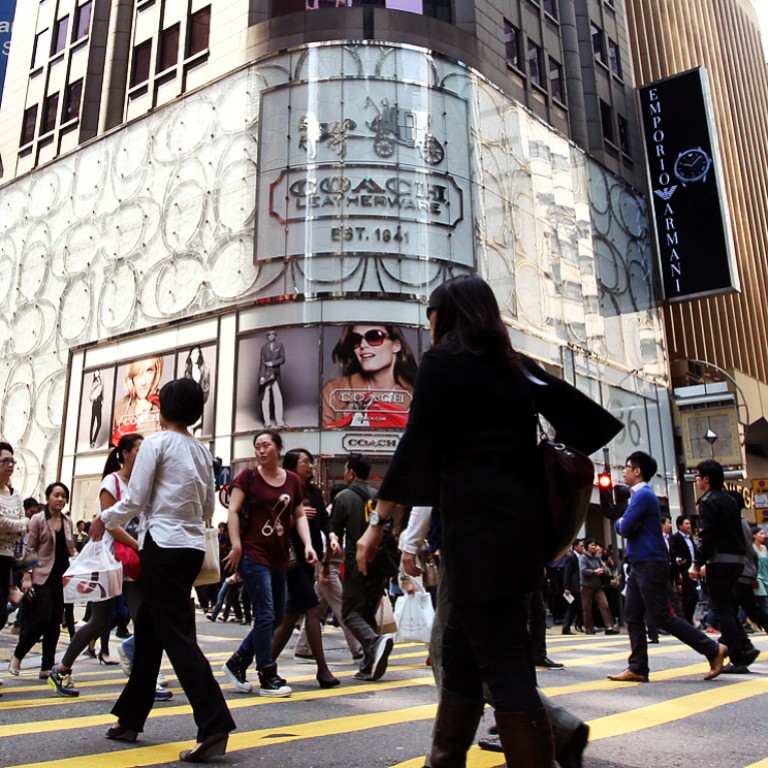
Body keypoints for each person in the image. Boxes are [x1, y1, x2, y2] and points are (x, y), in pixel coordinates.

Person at [355, 275, 623, 768]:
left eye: (431, 312)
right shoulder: (515, 367)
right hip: (524, 535)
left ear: (445, 314)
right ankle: (445, 759)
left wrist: (377, 522)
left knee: (506, 669)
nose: (428, 323)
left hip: (475, 536)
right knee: (459, 660)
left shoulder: (442, 363)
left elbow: (417, 444)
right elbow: (593, 423)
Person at [90, 378, 235, 762]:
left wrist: (103, 517)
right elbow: (208, 508)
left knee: (177, 637)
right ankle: (130, 718)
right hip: (190, 549)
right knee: (152, 631)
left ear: (164, 409)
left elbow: (134, 499)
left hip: (163, 546)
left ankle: (214, 723)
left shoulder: (155, 444)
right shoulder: (203, 452)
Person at [46, 435, 173, 699]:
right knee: (98, 621)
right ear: (124, 453)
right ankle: (61, 670)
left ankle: (145, 678)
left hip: (134, 563)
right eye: (138, 450)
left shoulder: (143, 483)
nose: (143, 455)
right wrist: (138, 546)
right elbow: (110, 523)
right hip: (112, 561)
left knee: (143, 620)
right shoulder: (111, 482)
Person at [607, 452, 728, 684]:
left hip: (649, 562)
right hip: (638, 562)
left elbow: (624, 527)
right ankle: (638, 667)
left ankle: (712, 649)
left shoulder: (643, 495)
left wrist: (620, 521)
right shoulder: (639, 496)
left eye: (627, 467)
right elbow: (628, 526)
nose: (623, 471)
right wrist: (625, 522)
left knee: (661, 615)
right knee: (632, 614)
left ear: (637, 471)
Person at [221, 429, 317, 697]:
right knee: (265, 614)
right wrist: (237, 545)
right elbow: (234, 510)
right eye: (257, 446)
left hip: (279, 556)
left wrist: (308, 545)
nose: (261, 450)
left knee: (274, 618)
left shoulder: (293, 482)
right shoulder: (248, 477)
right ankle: (267, 674)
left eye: (266, 445)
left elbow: (298, 515)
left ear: (278, 448)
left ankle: (237, 662)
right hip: (253, 554)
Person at [271, 448, 340, 688]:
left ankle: (261, 665)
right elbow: (272, 524)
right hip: (290, 560)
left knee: (290, 617)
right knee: (312, 610)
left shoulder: (313, 492)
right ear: (292, 466)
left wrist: (331, 536)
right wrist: (296, 516)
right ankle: (322, 670)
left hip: (309, 558)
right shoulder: (284, 491)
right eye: (304, 462)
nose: (310, 466)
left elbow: (324, 520)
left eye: (310, 462)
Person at [331, 452, 396, 682]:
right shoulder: (379, 496)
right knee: (367, 612)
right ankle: (369, 665)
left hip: (356, 559)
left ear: (351, 472)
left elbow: (335, 532)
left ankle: (375, 643)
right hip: (380, 562)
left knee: (349, 613)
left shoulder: (343, 497)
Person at [9, 482, 75, 678]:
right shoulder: (38, 519)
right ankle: (18, 656)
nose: (60, 499)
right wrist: (27, 576)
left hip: (61, 578)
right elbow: (29, 548)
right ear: (48, 498)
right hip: (40, 576)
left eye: (63, 496)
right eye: (56, 495)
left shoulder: (67, 522)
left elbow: (69, 550)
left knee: (55, 622)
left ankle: (46, 666)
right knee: (40, 620)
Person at [322, 324, 417, 428]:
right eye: (356, 339)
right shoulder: (333, 392)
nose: (363, 345)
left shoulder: (417, 396)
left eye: (374, 337)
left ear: (396, 345)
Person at [0, 442, 26, 634]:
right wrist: (23, 523)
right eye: (5, 460)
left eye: (12, 461)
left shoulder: (16, 495)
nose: (10, 464)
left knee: (1, 615)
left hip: (8, 559)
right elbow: (2, 523)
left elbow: (21, 528)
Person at [111, 356, 164, 446]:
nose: (143, 382)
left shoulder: (166, 401)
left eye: (149, 371)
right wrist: (137, 419)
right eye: (138, 373)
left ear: (156, 372)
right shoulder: (118, 407)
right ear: (131, 375)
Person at [579, 539, 619, 635]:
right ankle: (589, 628)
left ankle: (609, 627)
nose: (594, 547)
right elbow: (583, 571)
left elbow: (603, 566)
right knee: (587, 608)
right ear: (587, 547)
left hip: (597, 586)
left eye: (594, 545)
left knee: (604, 605)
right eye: (592, 545)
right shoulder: (583, 558)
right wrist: (594, 572)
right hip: (587, 586)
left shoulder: (597, 557)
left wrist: (605, 571)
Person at [671, 515, 700, 623]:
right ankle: (686, 620)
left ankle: (686, 620)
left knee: (690, 596)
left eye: (689, 523)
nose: (689, 526)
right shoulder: (675, 538)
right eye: (686, 524)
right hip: (684, 571)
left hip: (693, 570)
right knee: (692, 595)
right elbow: (673, 554)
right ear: (680, 526)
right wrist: (679, 561)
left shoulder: (690, 538)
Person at [258, 331, 286, 428]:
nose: (271, 336)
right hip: (266, 375)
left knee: (278, 397)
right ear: (267, 337)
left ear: (275, 335)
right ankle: (267, 422)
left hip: (276, 375)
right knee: (265, 398)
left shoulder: (279, 344)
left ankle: (280, 421)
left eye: (272, 334)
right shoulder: (264, 347)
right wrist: (261, 376)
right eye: (269, 335)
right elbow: (261, 363)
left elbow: (283, 359)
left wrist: (273, 363)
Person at [184, 346, 211, 437]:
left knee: (198, 437)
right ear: (190, 356)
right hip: (189, 408)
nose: (196, 355)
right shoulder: (187, 372)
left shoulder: (204, 370)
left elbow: (206, 388)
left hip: (199, 406)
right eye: (194, 353)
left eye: (198, 352)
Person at [561, 540, 584, 635]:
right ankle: (567, 628)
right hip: (573, 587)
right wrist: (566, 587)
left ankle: (568, 627)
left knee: (575, 607)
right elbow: (567, 573)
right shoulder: (571, 557)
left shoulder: (580, 558)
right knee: (573, 607)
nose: (583, 547)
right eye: (581, 546)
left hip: (578, 586)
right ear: (575, 547)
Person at [89, 369, 104, 448]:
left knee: (99, 423)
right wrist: (93, 398)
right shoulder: (94, 383)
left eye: (98, 371)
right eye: (96, 372)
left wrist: (102, 401)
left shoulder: (101, 381)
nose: (97, 372)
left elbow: (102, 392)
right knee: (92, 422)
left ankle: (93, 441)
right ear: (94, 374)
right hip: (95, 403)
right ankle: (91, 442)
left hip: (99, 403)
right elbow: (91, 395)